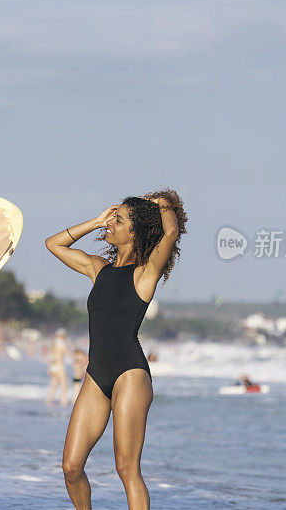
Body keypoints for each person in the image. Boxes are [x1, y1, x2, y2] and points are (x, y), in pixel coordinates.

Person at [46, 189, 186, 510]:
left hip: (130, 375)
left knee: (126, 468)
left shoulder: (145, 274)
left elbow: (171, 231)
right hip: (96, 375)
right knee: (71, 467)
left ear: (134, 232)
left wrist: (160, 203)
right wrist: (96, 221)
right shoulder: (99, 269)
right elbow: (53, 244)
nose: (110, 223)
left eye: (117, 220)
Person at [46, 329, 70, 406]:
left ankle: (48, 400)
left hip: (54, 366)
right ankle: (64, 402)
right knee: (64, 385)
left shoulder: (55, 344)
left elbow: (51, 356)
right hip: (60, 366)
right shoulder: (60, 344)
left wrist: (49, 367)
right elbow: (66, 353)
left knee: (54, 384)